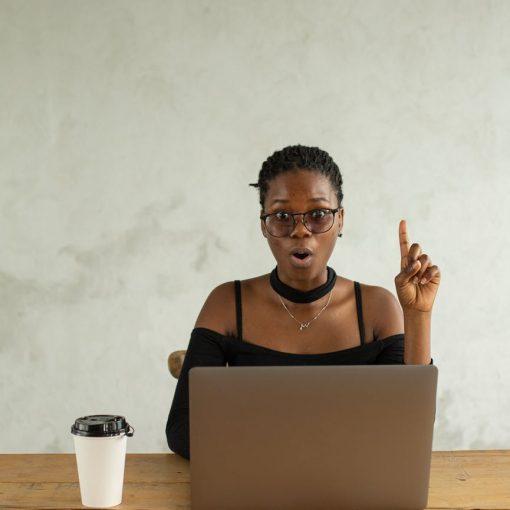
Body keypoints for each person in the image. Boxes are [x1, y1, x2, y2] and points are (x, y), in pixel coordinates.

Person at [165, 144, 441, 460]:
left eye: (319, 215)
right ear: (263, 224)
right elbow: (183, 431)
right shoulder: (227, 304)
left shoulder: (377, 308)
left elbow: (410, 429)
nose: (300, 230)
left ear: (340, 221)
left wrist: (418, 315)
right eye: (282, 216)